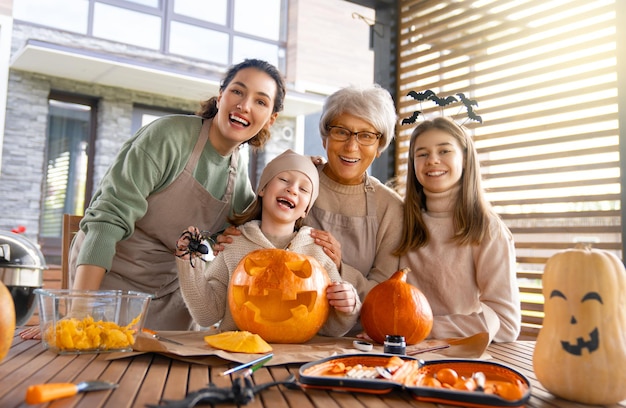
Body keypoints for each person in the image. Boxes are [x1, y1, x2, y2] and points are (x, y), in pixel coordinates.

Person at [20, 58, 286, 339]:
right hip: (108, 283)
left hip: (170, 297)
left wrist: (306, 176)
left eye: (260, 101)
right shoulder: (167, 137)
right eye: (238, 91)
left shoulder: (238, 173)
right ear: (221, 96)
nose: (244, 106)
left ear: (271, 118)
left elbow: (260, 233)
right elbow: (107, 221)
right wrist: (77, 312)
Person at [175, 150, 360, 336]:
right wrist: (188, 264)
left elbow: (334, 328)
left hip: (294, 360)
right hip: (238, 352)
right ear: (262, 189)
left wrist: (348, 305)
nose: (292, 189)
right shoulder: (234, 244)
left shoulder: (317, 251)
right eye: (284, 180)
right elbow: (206, 315)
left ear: (306, 209)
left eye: (303, 189)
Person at [394, 116, 521, 342]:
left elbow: (506, 323)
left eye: (444, 151)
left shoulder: (487, 228)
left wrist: (420, 327)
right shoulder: (399, 220)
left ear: (464, 159)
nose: (432, 160)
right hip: (398, 349)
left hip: (457, 357)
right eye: (422, 154)